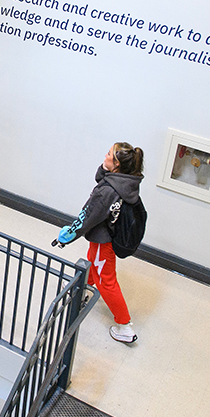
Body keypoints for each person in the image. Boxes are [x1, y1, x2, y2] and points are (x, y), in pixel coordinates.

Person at [56, 142, 144, 344]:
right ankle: (83, 288)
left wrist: (66, 236)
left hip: (104, 241)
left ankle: (124, 326)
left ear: (117, 165)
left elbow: (87, 217)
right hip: (110, 236)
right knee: (93, 263)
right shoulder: (126, 182)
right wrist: (106, 168)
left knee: (107, 281)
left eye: (109, 154)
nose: (104, 155)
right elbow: (102, 179)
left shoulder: (106, 192)